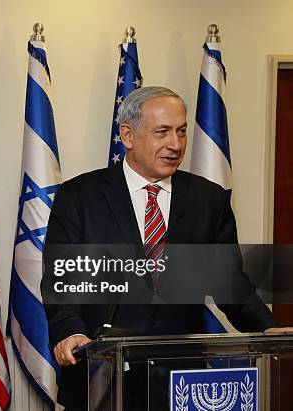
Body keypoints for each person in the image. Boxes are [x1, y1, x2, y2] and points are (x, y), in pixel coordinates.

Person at [42, 86, 293, 410]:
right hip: (99, 379)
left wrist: (268, 328)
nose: (175, 144)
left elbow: (230, 283)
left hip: (181, 382)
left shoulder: (208, 199)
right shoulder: (79, 196)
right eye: (163, 132)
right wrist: (69, 332)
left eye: (182, 132)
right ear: (128, 135)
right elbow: (62, 281)